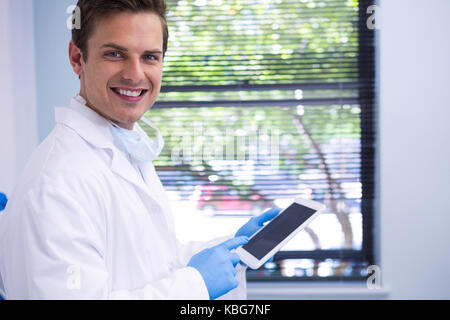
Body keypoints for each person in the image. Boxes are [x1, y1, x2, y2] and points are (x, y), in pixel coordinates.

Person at [0, 0, 279, 300]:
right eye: (115, 54)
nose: (135, 75)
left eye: (149, 57)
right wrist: (196, 284)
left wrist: (229, 249)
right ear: (77, 58)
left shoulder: (125, 150)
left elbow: (151, 262)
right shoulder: (58, 183)